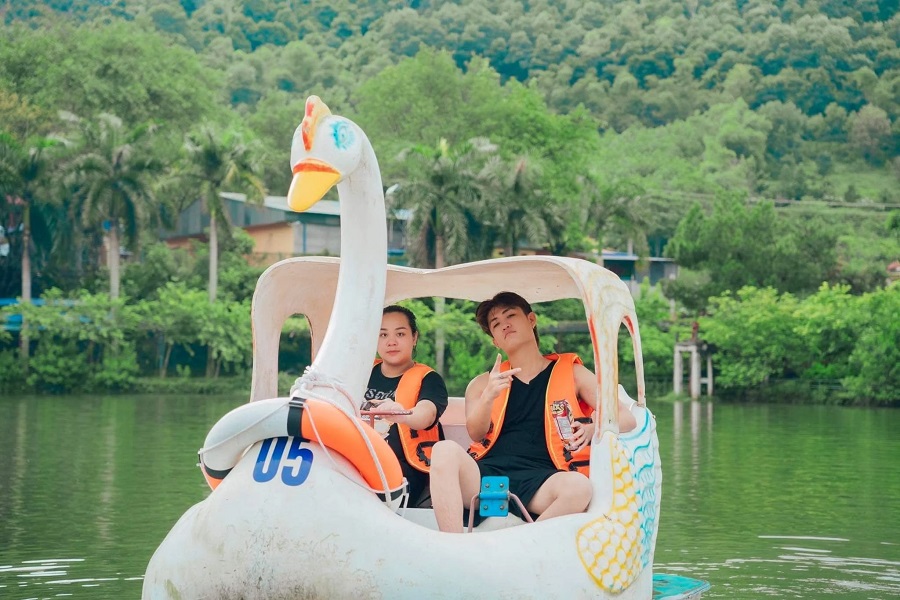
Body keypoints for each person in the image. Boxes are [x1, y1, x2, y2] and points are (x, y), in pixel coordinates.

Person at [429, 291, 637, 533]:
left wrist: (592, 429)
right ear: (495, 341)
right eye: (496, 324)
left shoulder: (573, 373)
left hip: (543, 479)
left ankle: (525, 543)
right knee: (443, 450)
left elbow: (626, 418)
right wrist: (489, 396)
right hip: (487, 478)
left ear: (531, 320)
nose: (504, 324)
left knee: (579, 488)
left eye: (510, 316)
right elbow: (476, 433)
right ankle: (453, 545)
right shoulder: (481, 384)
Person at [363, 305, 449, 507]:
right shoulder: (362, 371)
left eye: (400, 334)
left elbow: (426, 414)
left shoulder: (429, 379)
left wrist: (402, 414)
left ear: (414, 337)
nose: (391, 342)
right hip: (358, 459)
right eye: (383, 335)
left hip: (404, 470)